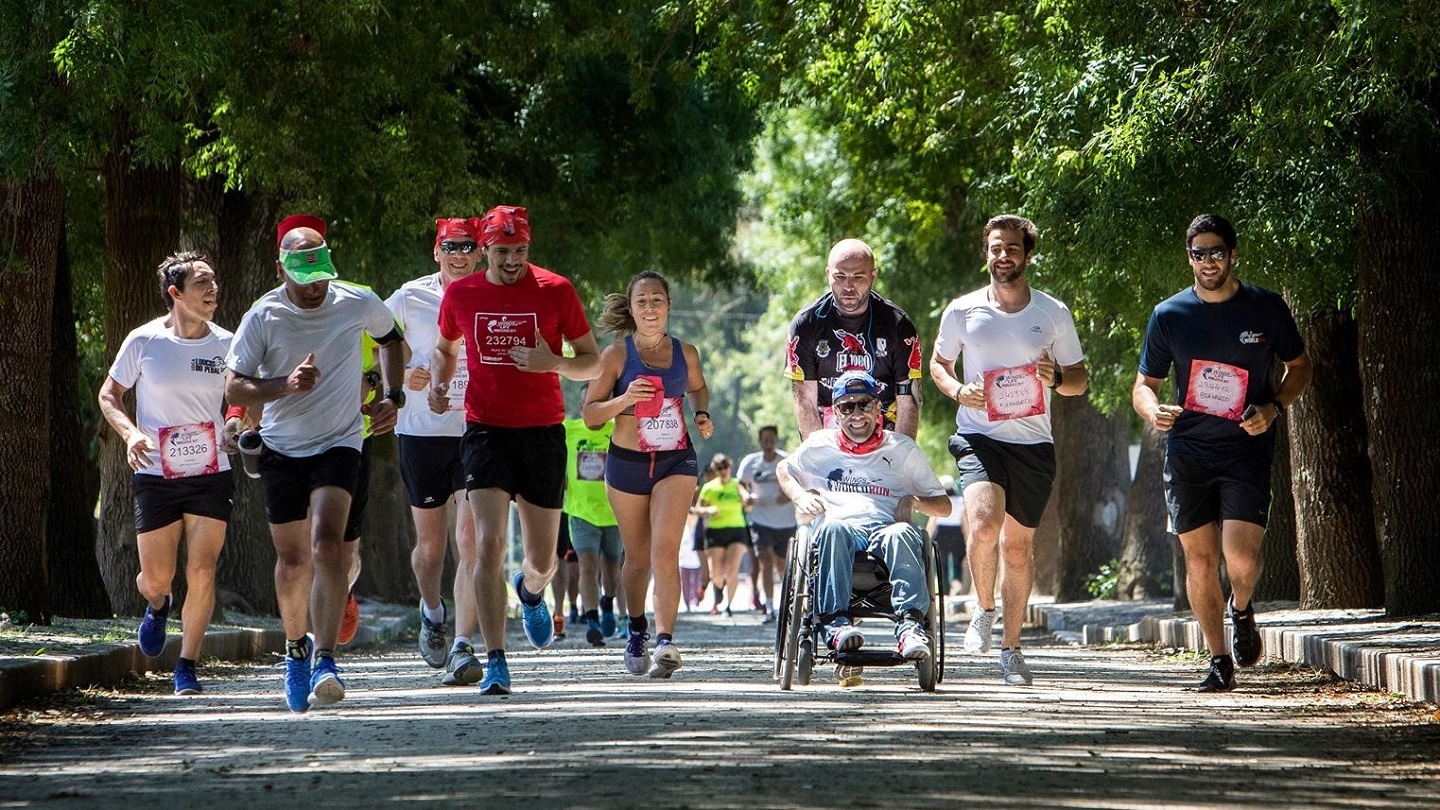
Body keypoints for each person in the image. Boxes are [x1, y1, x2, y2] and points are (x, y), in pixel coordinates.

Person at [225, 215, 405, 712]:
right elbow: (235, 386)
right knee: (292, 562)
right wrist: (284, 386)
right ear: (281, 269)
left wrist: (393, 395)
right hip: (282, 446)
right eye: (304, 279)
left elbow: (391, 339)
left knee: (329, 544)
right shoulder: (263, 316)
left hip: (340, 441)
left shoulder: (356, 300)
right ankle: (296, 648)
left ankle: (326, 658)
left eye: (321, 275)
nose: (315, 288)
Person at [1132, 213, 1311, 693]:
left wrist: (1274, 407)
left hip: (1246, 448)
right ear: (1188, 257)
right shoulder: (1169, 315)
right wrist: (1152, 412)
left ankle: (1242, 608)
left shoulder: (1266, 308)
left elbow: (1300, 368)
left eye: (1216, 252)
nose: (1207, 261)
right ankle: (1218, 659)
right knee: (1199, 559)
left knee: (1242, 559)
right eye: (1198, 253)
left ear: (1232, 254)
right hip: (1188, 450)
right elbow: (1143, 386)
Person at [429, 205, 602, 695]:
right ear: (484, 249)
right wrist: (441, 384)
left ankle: (530, 594)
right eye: (502, 252)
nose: (512, 261)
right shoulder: (461, 293)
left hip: (542, 432)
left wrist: (555, 362)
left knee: (543, 559)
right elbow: (444, 348)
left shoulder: (556, 290)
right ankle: (497, 660)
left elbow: (592, 362)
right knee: (487, 544)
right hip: (485, 430)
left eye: (520, 251)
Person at [929, 214, 1088, 686]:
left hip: (1034, 442)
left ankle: (1011, 648)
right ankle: (983, 607)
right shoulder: (962, 310)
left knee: (1017, 548)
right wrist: (959, 391)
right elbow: (939, 366)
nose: (1004, 256)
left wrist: (1056, 378)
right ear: (987, 253)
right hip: (979, 434)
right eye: (996, 247)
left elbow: (1078, 381)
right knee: (982, 523)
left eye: (1013, 248)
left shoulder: (1053, 313)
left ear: (1028, 254)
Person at [98, 251, 242, 696]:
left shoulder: (228, 343)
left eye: (215, 282)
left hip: (211, 469)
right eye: (202, 283)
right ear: (175, 294)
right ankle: (158, 605)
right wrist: (129, 435)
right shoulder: (143, 342)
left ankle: (187, 665)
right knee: (157, 578)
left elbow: (242, 397)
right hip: (157, 473)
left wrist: (238, 422)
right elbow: (109, 395)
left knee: (202, 569)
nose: (213, 290)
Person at [775, 371, 951, 680]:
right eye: (847, 407)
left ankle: (910, 627)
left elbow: (944, 505)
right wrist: (800, 496)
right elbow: (784, 469)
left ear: (878, 408)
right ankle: (835, 624)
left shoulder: (902, 449)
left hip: (886, 530)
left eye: (864, 404)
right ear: (836, 411)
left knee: (904, 533)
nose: (856, 414)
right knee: (831, 527)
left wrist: (912, 500)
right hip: (841, 530)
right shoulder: (819, 445)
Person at [583, 271, 713, 678]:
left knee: (665, 549)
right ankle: (636, 628)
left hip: (676, 460)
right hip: (628, 464)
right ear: (632, 308)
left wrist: (702, 413)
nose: (650, 308)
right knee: (637, 559)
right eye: (642, 301)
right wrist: (625, 398)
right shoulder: (616, 356)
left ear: (669, 305)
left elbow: (698, 387)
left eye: (657, 299)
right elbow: (589, 415)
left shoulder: (685, 352)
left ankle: (665, 641)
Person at [385, 217, 481, 686]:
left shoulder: (492, 292)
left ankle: (463, 646)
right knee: (430, 548)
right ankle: (431, 610)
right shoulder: (409, 295)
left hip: (476, 431)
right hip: (420, 431)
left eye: (468, 246)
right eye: (451, 246)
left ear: (479, 252)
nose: (460, 254)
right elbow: (374, 341)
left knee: (470, 539)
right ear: (436, 251)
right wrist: (400, 376)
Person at [785, 238, 924, 439]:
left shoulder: (898, 324)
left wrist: (901, 455)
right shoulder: (806, 324)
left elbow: (909, 398)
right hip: (829, 431)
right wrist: (819, 454)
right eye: (840, 277)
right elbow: (804, 400)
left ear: (873, 276)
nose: (848, 286)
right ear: (827, 274)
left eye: (858, 277)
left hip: (885, 432)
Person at [562, 415, 625, 646]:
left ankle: (607, 602)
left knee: (611, 570)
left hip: (614, 512)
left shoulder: (618, 429)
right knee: (587, 566)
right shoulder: (569, 429)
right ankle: (592, 621)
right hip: (581, 512)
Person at [737, 425, 797, 623]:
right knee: (765, 561)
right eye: (765, 440)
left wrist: (787, 496)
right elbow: (739, 483)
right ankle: (769, 607)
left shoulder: (786, 461)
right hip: (760, 520)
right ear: (760, 441)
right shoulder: (751, 462)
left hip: (785, 522)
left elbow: (801, 483)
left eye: (772, 439)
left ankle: (786, 607)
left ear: (776, 440)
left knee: (783, 567)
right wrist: (746, 495)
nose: (769, 443)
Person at [693, 454, 750, 617]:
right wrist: (708, 510)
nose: (724, 470)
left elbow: (745, 497)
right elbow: (697, 509)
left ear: (730, 467)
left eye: (726, 466)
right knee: (715, 574)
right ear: (715, 470)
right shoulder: (709, 487)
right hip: (715, 532)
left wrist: (748, 499)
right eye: (719, 468)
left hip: (737, 530)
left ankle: (728, 606)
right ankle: (720, 586)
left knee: (733, 570)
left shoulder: (736, 484)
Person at [926, 475, 967, 595]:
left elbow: (932, 521)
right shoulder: (960, 501)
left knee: (941, 563)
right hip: (957, 533)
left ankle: (945, 591)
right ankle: (957, 585)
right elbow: (965, 522)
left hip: (941, 533)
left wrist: (927, 537)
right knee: (957, 562)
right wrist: (967, 537)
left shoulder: (939, 502)